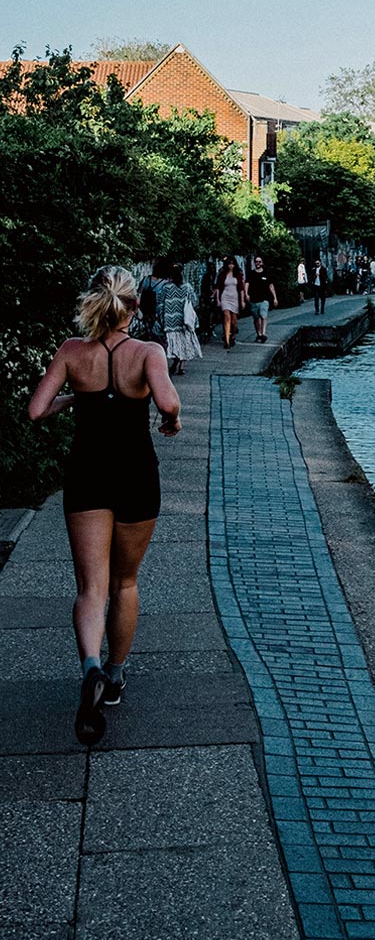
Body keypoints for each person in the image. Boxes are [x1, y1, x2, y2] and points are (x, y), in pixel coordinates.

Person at [28, 266, 181, 746]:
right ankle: (114, 678)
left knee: (90, 588)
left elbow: (35, 411)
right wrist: (170, 421)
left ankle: (90, 666)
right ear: (134, 307)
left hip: (87, 476)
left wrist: (76, 397)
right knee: (125, 581)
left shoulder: (73, 353)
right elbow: (168, 401)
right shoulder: (147, 352)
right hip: (136, 476)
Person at [161, 263, 202, 376]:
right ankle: (181, 366)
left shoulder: (166, 287)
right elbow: (194, 301)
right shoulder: (187, 287)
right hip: (184, 320)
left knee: (173, 344)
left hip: (169, 321)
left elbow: (160, 304)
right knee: (184, 343)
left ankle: (175, 361)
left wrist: (160, 318)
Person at [214, 257, 247, 348]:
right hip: (225, 297)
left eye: (232, 264)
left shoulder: (238, 275)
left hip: (235, 298)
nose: (231, 266)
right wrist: (218, 300)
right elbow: (218, 287)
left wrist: (242, 300)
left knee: (233, 321)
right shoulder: (222, 274)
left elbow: (241, 289)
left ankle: (232, 335)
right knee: (226, 317)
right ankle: (227, 340)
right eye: (229, 264)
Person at [247, 255, 278, 342]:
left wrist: (275, 298)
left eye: (259, 262)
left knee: (263, 316)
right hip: (253, 299)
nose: (258, 263)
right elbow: (247, 284)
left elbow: (271, 286)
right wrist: (246, 294)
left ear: (262, 263)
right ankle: (259, 334)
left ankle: (263, 333)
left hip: (264, 299)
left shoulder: (266, 274)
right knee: (256, 318)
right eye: (256, 261)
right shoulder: (251, 274)